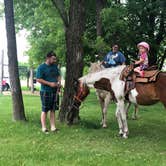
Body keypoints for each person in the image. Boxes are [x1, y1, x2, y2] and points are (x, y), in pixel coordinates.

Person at [36, 51, 61, 134]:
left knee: (53, 109)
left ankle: (53, 127)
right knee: (45, 110)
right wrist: (50, 84)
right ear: (48, 58)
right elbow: (38, 79)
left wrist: (59, 84)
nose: (54, 60)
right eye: (53, 59)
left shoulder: (55, 67)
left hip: (55, 91)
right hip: (45, 92)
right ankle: (44, 128)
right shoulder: (41, 67)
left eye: (55, 59)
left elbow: (58, 75)